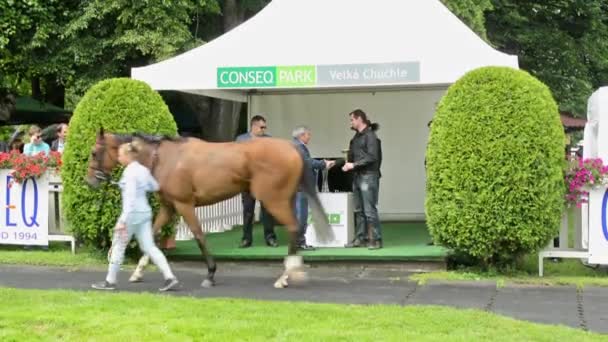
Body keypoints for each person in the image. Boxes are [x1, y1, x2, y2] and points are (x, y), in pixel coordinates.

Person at [92, 142, 179, 291]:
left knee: (118, 246)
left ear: (127, 156)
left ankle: (110, 281)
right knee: (149, 247)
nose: (118, 158)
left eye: (120, 155)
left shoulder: (129, 172)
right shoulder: (143, 170)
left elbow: (130, 199)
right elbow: (154, 186)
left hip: (131, 215)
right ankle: (169, 277)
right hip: (144, 213)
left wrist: (123, 221)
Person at [235, 115, 278, 248]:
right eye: (261, 127)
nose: (264, 129)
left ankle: (270, 237)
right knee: (248, 211)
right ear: (253, 126)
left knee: (268, 211)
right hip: (247, 181)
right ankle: (246, 239)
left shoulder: (269, 139)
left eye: (265, 127)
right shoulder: (241, 139)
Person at [343, 109, 383, 250]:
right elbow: (353, 156)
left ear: (360, 119)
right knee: (359, 210)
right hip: (358, 176)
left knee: (369, 210)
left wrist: (353, 164)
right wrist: (348, 163)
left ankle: (376, 239)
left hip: (369, 175)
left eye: (352, 119)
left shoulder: (371, 136)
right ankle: (360, 238)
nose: (351, 122)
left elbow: (373, 157)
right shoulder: (355, 138)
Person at [292, 126, 335, 250]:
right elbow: (307, 162)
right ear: (301, 135)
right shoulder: (299, 147)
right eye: (308, 135)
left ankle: (299, 241)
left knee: (300, 216)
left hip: (298, 186)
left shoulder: (296, 146)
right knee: (302, 216)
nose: (309, 137)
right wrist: (324, 164)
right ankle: (300, 242)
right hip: (301, 186)